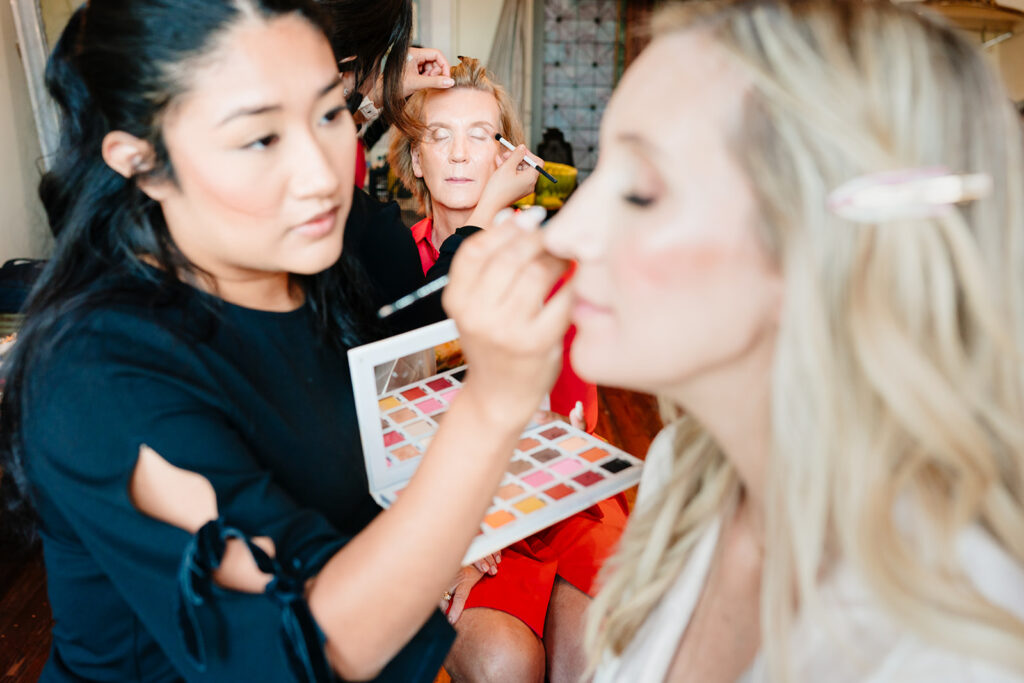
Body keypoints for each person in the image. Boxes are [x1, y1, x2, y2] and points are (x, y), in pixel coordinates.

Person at [0, 1, 570, 681]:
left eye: (329, 113)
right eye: (260, 138)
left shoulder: (306, 271)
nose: (322, 174)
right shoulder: (99, 372)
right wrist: (492, 407)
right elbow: (309, 643)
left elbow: (374, 432)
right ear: (142, 161)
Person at [541, 0, 1024, 681]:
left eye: (642, 192)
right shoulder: (683, 475)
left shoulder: (954, 648)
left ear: (822, 246)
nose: (563, 234)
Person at [387, 57, 625, 683]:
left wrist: (499, 519)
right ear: (415, 160)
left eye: (481, 136)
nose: (461, 154)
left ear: (505, 157)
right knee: (504, 664)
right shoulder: (390, 273)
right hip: (440, 507)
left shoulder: (550, 265)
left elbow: (577, 429)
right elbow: (390, 434)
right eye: (440, 136)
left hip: (553, 500)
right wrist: (459, 537)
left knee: (597, 653)